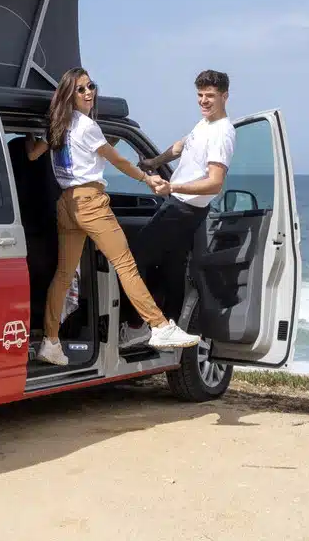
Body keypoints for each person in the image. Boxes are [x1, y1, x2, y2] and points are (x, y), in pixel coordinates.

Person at [27, 67, 203, 366]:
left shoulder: (56, 124)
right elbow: (117, 160)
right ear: (70, 94)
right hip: (91, 203)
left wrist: (33, 136)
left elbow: (32, 154)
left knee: (64, 274)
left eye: (91, 86)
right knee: (125, 264)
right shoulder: (85, 126)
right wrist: (148, 179)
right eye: (81, 89)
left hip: (67, 204)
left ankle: (51, 341)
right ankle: (159, 326)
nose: (89, 93)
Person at [121, 69, 236, 348]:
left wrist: (172, 187)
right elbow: (181, 146)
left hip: (184, 209)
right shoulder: (204, 124)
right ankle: (167, 325)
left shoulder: (222, 133)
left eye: (210, 96)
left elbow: (214, 184)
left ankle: (137, 324)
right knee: (171, 268)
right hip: (179, 205)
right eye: (200, 95)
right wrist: (153, 161)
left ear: (225, 96)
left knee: (132, 260)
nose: (204, 101)